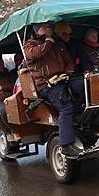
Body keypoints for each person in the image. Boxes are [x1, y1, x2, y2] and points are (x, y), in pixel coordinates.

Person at [23, 23, 81, 157]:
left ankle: (81, 122)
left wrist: (67, 73)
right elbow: (34, 54)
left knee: (84, 86)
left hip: (63, 80)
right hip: (46, 85)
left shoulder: (58, 45)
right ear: (38, 30)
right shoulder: (29, 45)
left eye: (49, 27)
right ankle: (66, 145)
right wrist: (48, 42)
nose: (49, 29)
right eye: (46, 27)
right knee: (65, 105)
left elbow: (69, 62)